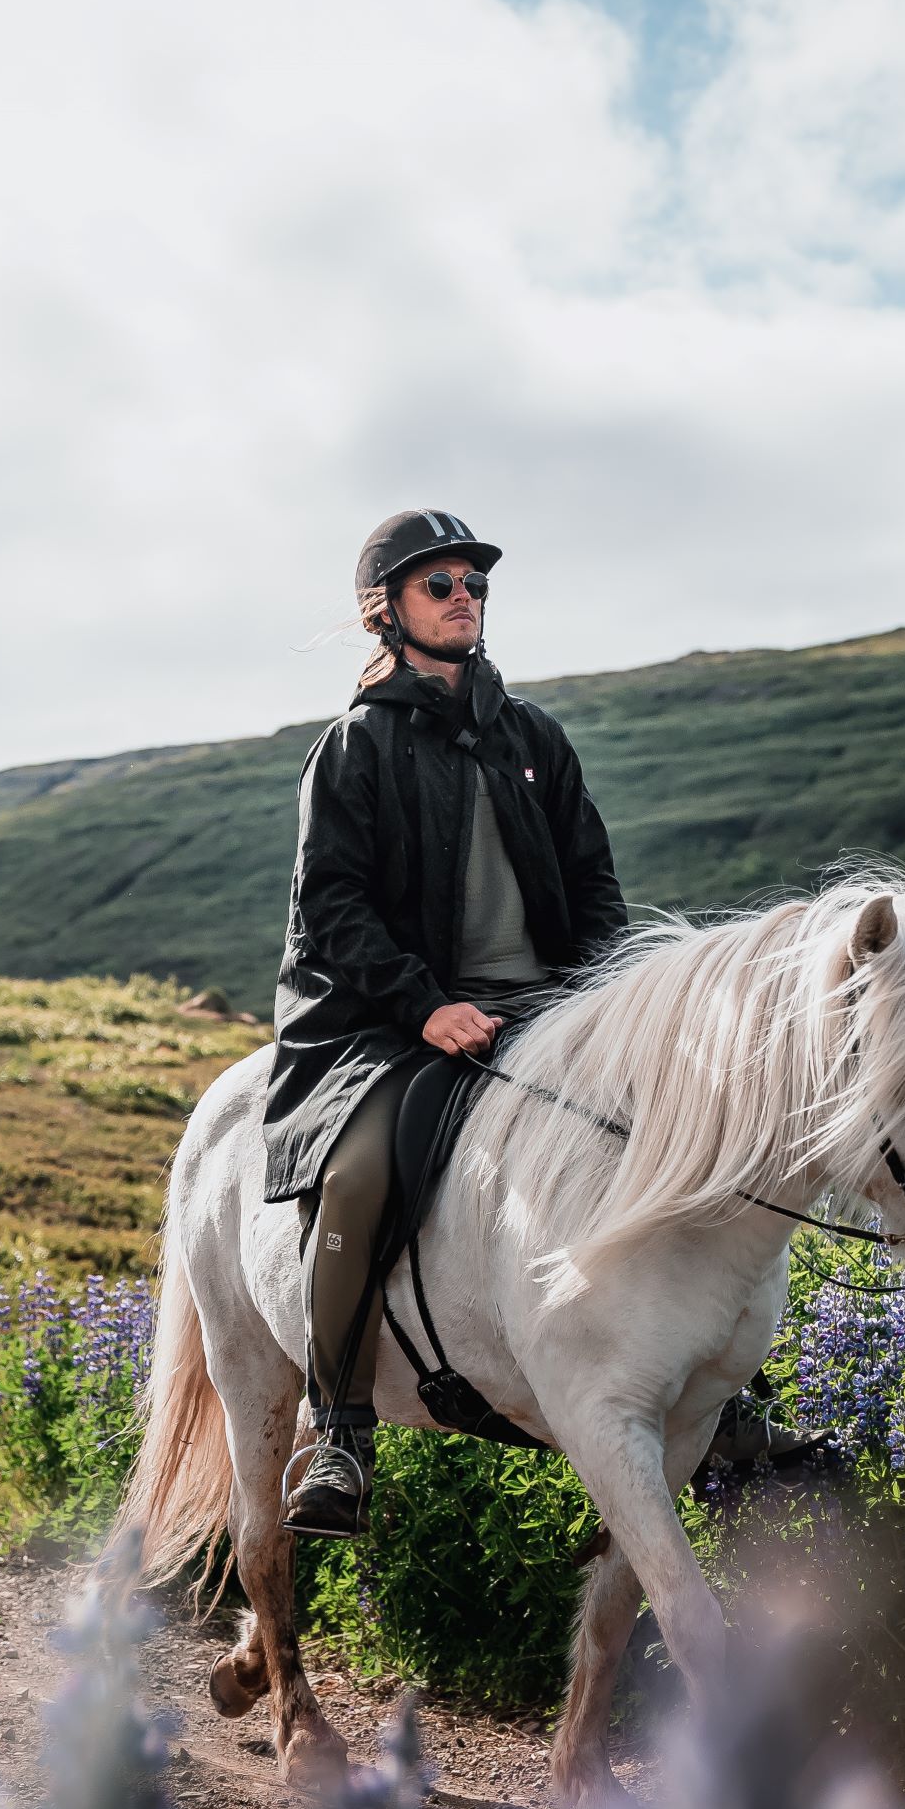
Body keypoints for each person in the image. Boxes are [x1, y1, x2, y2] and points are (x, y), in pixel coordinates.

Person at [263, 510, 628, 1537]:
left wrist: (601, 998)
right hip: (385, 1020)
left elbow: (593, 882)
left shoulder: (534, 740)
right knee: (364, 1168)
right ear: (387, 609)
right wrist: (425, 1004)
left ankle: (721, 1393)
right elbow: (330, 908)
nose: (463, 594)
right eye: (439, 584)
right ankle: (335, 1429)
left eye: (472, 581)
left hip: (542, 1010)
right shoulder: (352, 749)